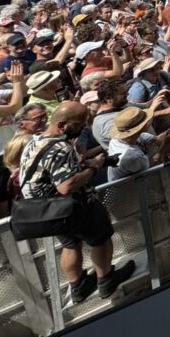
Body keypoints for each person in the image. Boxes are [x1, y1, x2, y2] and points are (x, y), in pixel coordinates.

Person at [19, 102, 136, 303]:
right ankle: (106, 279)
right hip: (74, 206)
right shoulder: (60, 148)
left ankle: (78, 286)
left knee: (71, 244)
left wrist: (82, 163)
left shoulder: (34, 141)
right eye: (80, 123)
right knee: (100, 239)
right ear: (62, 125)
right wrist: (93, 168)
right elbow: (66, 185)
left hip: (49, 211)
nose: (85, 127)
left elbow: (50, 171)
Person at [106, 106, 170, 181]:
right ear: (138, 128)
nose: (147, 121)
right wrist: (166, 143)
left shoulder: (124, 138)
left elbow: (157, 140)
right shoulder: (131, 156)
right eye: (144, 121)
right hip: (127, 191)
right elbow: (152, 165)